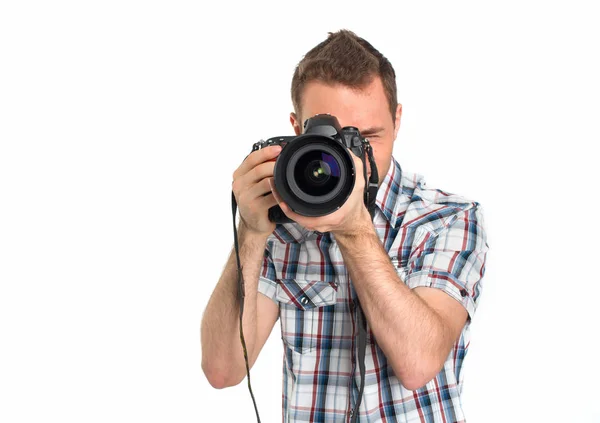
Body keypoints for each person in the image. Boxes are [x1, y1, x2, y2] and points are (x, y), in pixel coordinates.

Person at [201, 29, 489, 423]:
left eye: (367, 138)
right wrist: (250, 232)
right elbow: (223, 369)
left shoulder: (447, 219)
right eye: (338, 142)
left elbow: (418, 364)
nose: (354, 161)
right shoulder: (279, 226)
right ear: (298, 129)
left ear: (398, 120)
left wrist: (353, 229)